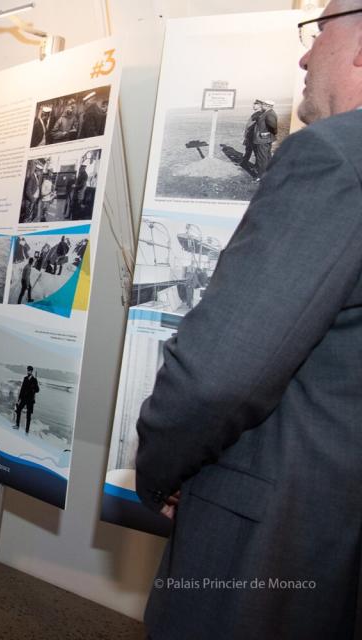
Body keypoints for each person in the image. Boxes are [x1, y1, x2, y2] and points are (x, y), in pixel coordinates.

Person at [136, 3, 362, 637]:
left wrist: (159, 467)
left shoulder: (331, 157)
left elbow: (217, 376)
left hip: (268, 546)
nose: (304, 55)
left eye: (318, 34)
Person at [14, 366, 39, 433]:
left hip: (30, 400)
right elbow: (22, 389)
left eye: (29, 371)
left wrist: (34, 387)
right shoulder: (25, 378)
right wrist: (19, 398)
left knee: (28, 415)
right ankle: (17, 425)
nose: (28, 372)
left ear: (31, 371)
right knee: (18, 409)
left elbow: (37, 390)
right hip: (24, 398)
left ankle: (27, 430)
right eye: (28, 370)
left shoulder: (34, 380)